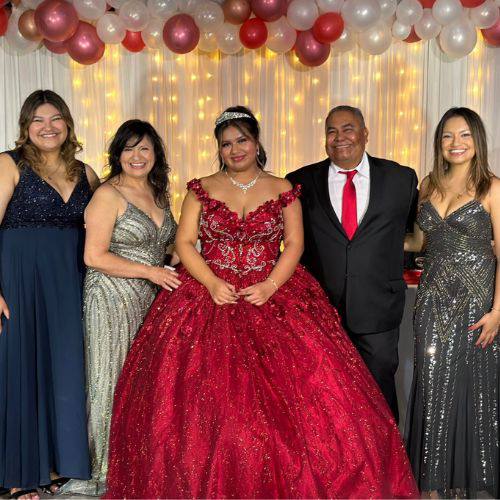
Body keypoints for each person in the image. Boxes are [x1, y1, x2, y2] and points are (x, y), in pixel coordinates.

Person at [104, 106, 418, 499]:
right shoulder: (200, 187)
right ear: (219, 149)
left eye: (242, 140)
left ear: (256, 142)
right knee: (206, 403)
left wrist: (270, 285)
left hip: (273, 293)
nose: (235, 149)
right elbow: (184, 243)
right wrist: (213, 282)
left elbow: (296, 244)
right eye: (226, 144)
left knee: (301, 401)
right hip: (208, 293)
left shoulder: (283, 187)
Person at [59, 120, 178, 497]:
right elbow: (94, 256)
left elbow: (167, 245)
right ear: (117, 155)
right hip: (110, 295)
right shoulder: (109, 194)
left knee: (141, 381)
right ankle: (102, 467)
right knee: (109, 378)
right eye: (129, 149)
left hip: (150, 298)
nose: (137, 156)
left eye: (144, 148)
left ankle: (135, 458)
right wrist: (152, 271)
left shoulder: (160, 193)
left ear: (156, 153)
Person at [286, 105, 418, 421]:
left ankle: (386, 464)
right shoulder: (299, 182)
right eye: (331, 131)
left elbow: (413, 234)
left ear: (364, 133)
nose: (339, 137)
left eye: (348, 128)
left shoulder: (401, 178)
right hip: (320, 311)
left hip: (378, 308)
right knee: (325, 399)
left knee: (379, 395)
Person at [0, 90, 100, 499]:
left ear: (68, 123)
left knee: (66, 370)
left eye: (55, 118)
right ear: (25, 127)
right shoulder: (8, 164)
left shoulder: (87, 172)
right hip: (19, 279)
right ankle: (22, 474)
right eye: (38, 120)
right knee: (21, 369)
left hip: (71, 281)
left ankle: (61, 465)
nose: (48, 126)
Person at [404, 107, 499, 498]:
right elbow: (416, 242)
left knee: (474, 394)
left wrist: (498, 312)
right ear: (438, 142)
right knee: (432, 390)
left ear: (477, 140)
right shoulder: (427, 184)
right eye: (447, 136)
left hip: (477, 306)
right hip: (431, 302)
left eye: (463, 135)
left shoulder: (492, 188)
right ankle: (434, 486)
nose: (455, 143)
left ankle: (474, 485)